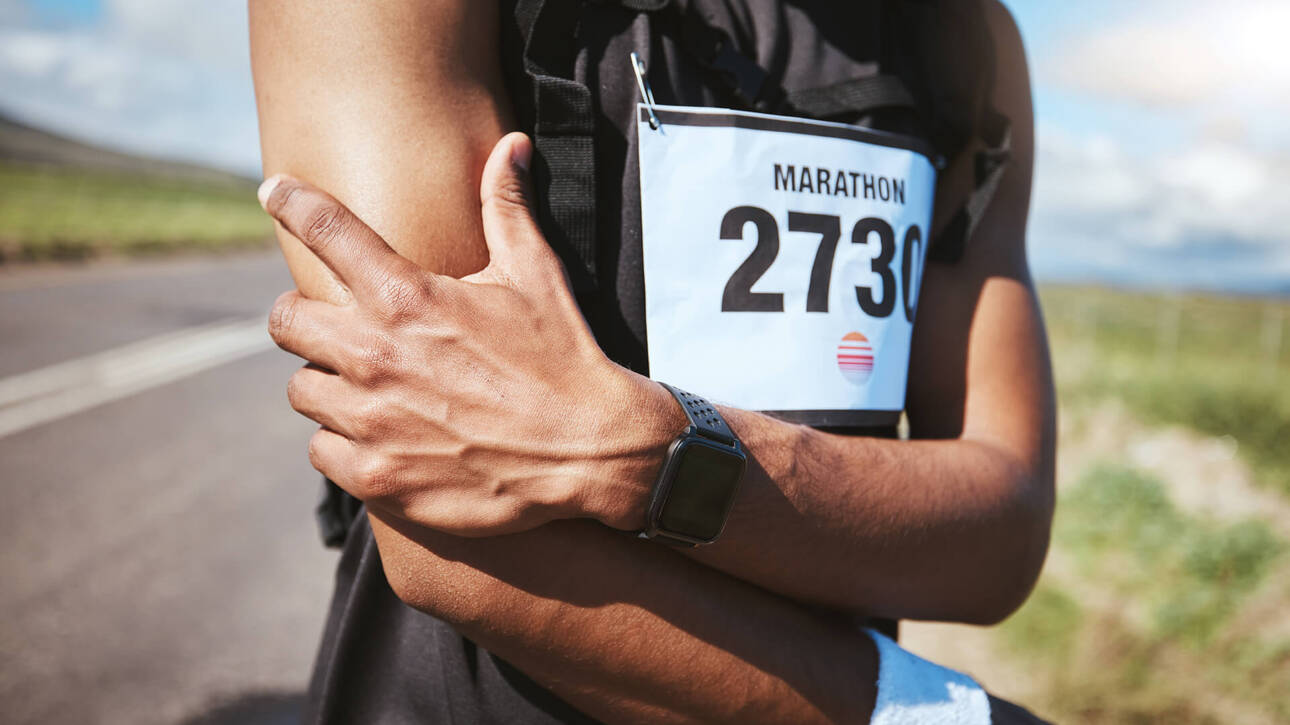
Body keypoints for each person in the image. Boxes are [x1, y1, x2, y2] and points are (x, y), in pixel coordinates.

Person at [250, 0, 1055, 722]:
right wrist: (909, 711)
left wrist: (646, 453)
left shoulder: (966, 39)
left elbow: (1001, 540)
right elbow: (443, 533)